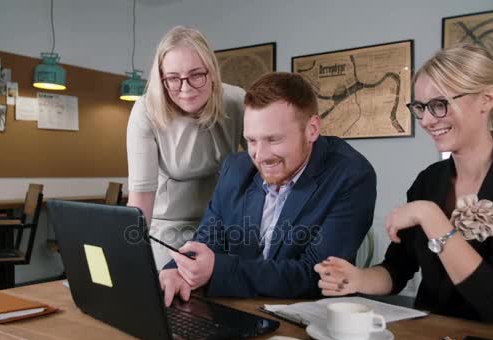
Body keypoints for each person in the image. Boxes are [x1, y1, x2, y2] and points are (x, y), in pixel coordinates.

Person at [314, 44, 493, 327]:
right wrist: (357, 278)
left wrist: (431, 216)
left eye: (440, 104)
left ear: (486, 99)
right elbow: (397, 269)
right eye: (420, 107)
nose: (426, 120)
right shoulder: (429, 181)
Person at [159, 72, 377, 306]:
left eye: (273, 140)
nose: (260, 156)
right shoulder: (235, 168)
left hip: (309, 318)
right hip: (237, 309)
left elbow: (317, 276)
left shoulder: (351, 175)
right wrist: (177, 270)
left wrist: (217, 270)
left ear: (312, 129)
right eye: (252, 141)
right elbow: (206, 241)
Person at [126, 26, 246, 269]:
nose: (185, 87)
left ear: (211, 71)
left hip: (222, 229)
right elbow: (141, 197)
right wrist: (129, 258)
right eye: (172, 78)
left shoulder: (236, 102)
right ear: (162, 78)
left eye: (196, 75)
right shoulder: (146, 111)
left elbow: (265, 163)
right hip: (165, 232)